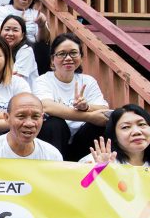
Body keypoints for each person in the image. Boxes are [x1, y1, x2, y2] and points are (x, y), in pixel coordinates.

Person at [36, 33, 110, 161]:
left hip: (82, 139)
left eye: (73, 53)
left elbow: (104, 111)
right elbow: (46, 106)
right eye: (62, 54)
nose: (68, 58)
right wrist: (89, 115)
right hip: (56, 138)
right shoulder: (43, 80)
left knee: (101, 125)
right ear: (53, 59)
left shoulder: (88, 80)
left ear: (81, 57)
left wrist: (86, 106)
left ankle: (93, 169)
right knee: (54, 123)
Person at [81, 104, 150, 167]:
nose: (136, 132)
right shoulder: (95, 161)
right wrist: (99, 171)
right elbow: (78, 192)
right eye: (125, 127)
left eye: (142, 124)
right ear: (114, 136)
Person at [0, 92, 62, 160]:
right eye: (21, 116)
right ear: (7, 117)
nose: (29, 123)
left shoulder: (52, 156)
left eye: (35, 117)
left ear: (42, 118)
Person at [0, 14, 38, 90]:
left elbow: (15, 78)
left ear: (22, 35)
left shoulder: (26, 50)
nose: (10, 34)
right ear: (1, 32)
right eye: (7, 29)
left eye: (15, 30)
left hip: (25, 96)